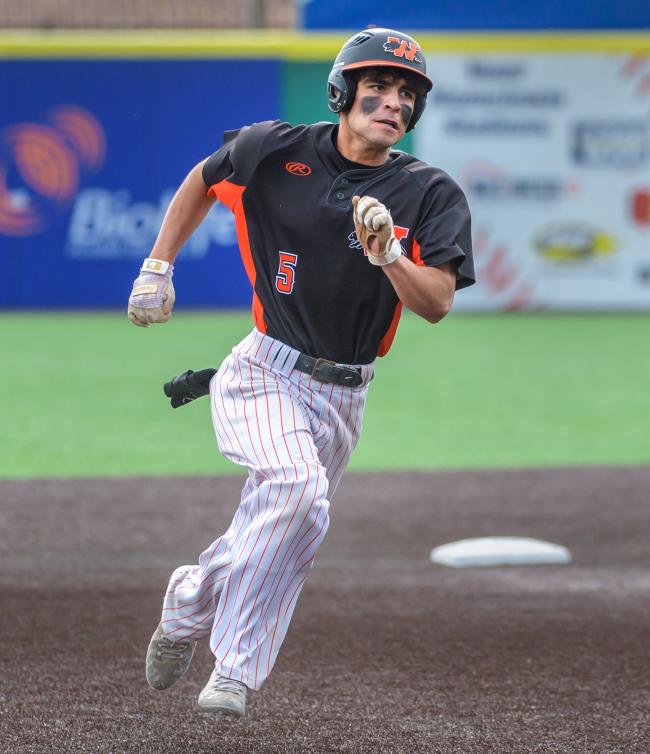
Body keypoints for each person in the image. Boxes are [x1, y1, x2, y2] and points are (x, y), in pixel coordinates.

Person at [128, 28, 475, 717]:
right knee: (295, 489)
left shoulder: (428, 192)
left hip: (346, 395)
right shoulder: (274, 147)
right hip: (264, 369)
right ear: (342, 91)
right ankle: (235, 671)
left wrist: (389, 256)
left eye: (408, 94)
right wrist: (157, 267)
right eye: (378, 86)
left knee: (291, 515)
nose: (394, 102)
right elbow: (203, 180)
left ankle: (190, 598)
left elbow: (434, 304)